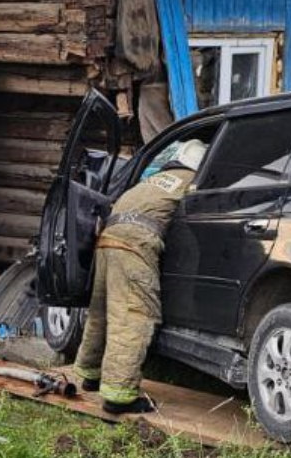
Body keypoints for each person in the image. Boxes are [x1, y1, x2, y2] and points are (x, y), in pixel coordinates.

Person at [71, 139, 207, 414]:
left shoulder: (153, 181)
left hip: (108, 241)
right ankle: (119, 396)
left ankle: (90, 374)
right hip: (135, 245)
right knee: (134, 315)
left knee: (102, 312)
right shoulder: (193, 183)